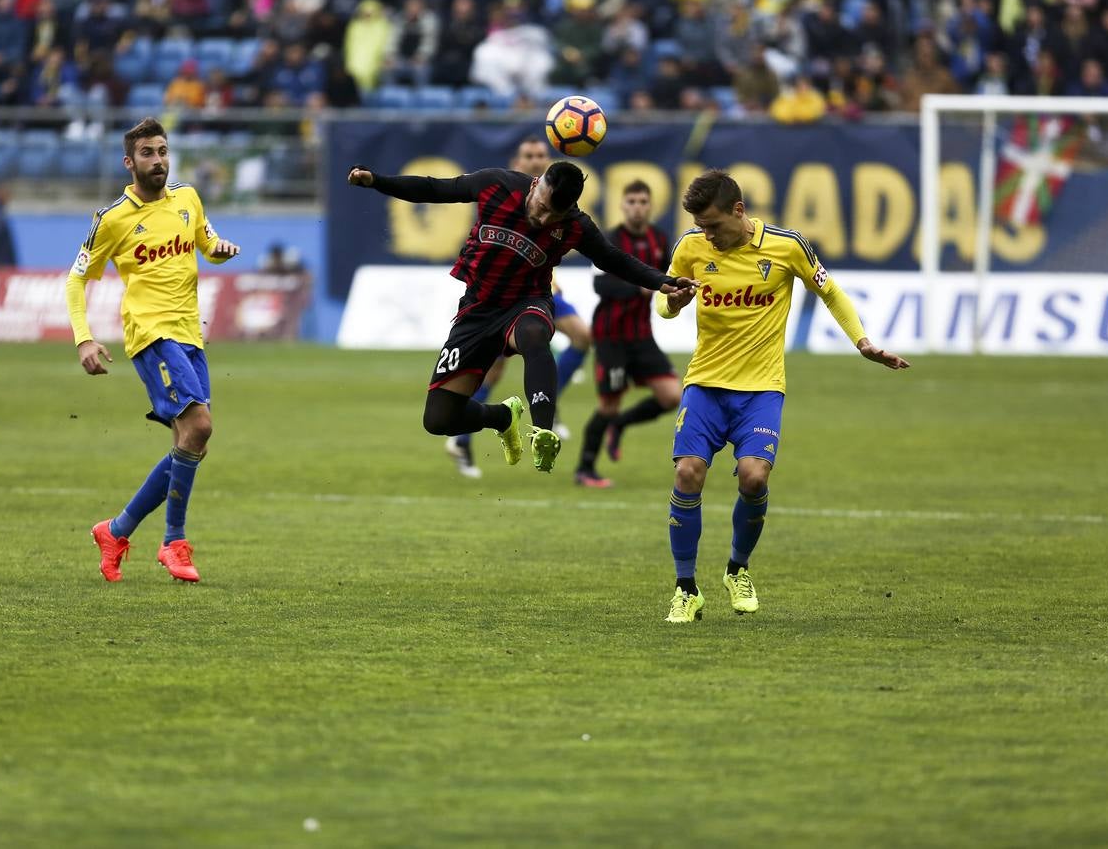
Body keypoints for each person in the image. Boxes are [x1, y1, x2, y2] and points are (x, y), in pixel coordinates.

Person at [657, 170, 909, 623]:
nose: (707, 235)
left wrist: (862, 342)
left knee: (754, 478)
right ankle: (685, 587)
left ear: (739, 210)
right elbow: (663, 301)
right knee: (688, 473)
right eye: (700, 225)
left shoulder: (787, 245)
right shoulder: (690, 246)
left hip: (761, 389)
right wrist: (672, 303)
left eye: (713, 224)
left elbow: (830, 293)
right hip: (706, 384)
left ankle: (737, 570)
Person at [347, 162, 697, 473]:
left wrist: (662, 281)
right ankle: (503, 416)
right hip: (478, 309)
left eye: (553, 216)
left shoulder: (575, 225)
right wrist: (377, 180)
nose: (543, 219)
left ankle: (543, 430)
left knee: (533, 335)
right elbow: (434, 188)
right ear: (537, 184)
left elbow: (612, 259)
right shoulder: (495, 184)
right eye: (542, 207)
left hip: (527, 302)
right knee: (439, 419)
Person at [66, 117, 241, 584]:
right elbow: (76, 278)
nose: (158, 160)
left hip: (189, 333)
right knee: (200, 426)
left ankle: (116, 530)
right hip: (149, 333)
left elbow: (205, 242)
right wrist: (84, 336)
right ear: (130, 162)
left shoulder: (187, 197)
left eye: (163, 151)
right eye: (148, 153)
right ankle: (173, 543)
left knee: (191, 442)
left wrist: (220, 249)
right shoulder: (112, 219)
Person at [444, 136, 594, 478]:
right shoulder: (504, 191)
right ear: (518, 160)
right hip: (500, 297)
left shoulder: (555, 200)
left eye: (542, 154)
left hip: (540, 292)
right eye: (529, 155)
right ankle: (463, 440)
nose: (536, 160)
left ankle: (547, 407)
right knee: (492, 372)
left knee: (582, 336)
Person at [574, 180, 677, 488]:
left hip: (642, 335)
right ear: (622, 205)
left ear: (651, 206)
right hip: (610, 337)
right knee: (608, 405)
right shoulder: (609, 240)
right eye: (631, 201)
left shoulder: (659, 239)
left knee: (672, 396)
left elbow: (665, 280)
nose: (637, 207)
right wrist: (639, 286)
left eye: (643, 202)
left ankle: (620, 425)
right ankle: (585, 469)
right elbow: (600, 285)